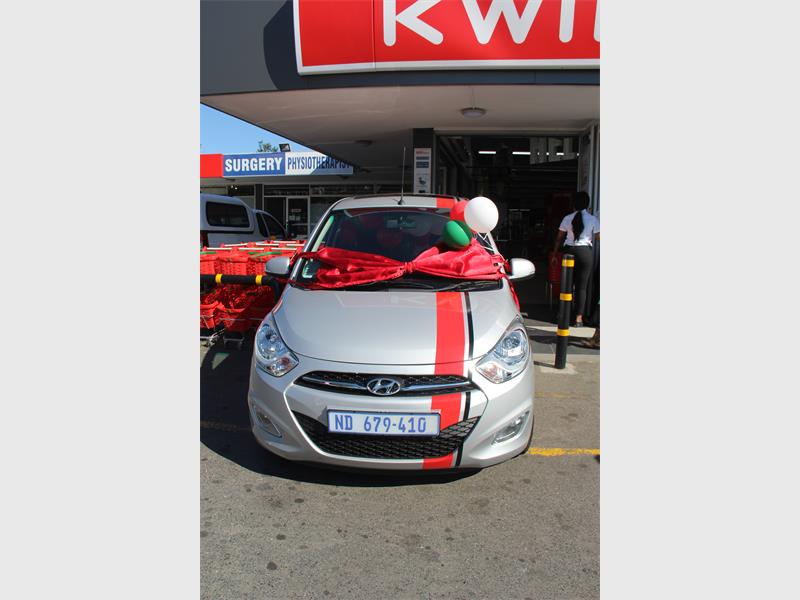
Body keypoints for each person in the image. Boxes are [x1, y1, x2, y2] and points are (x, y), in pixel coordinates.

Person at [550, 191, 600, 327]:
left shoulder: (567, 218)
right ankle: (578, 319)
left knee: (566, 285)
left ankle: (563, 315)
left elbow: (559, 238)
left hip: (569, 253)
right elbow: (598, 238)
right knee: (581, 288)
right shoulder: (593, 219)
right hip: (585, 253)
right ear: (587, 204)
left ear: (574, 204)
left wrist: (554, 254)